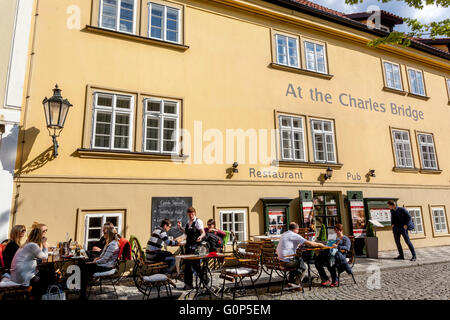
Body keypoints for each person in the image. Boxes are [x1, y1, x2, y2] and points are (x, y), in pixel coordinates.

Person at [276, 222, 326, 287]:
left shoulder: (284, 234)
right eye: (298, 230)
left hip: (280, 260)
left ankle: (291, 281)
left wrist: (297, 244)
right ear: (296, 229)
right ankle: (296, 283)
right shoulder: (294, 235)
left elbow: (288, 245)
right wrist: (320, 244)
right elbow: (310, 244)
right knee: (304, 266)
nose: (298, 231)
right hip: (287, 261)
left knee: (298, 262)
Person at [10, 226, 49, 299]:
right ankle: (40, 296)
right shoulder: (32, 245)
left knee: (43, 272)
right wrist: (45, 246)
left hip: (17, 274)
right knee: (46, 273)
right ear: (39, 237)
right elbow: (44, 257)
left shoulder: (27, 244)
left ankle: (37, 296)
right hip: (22, 276)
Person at [177, 207, 206, 289]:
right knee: (187, 266)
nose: (191, 216)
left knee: (196, 266)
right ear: (187, 214)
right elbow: (187, 233)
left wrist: (200, 237)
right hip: (188, 247)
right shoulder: (188, 222)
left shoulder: (198, 222)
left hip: (195, 247)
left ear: (195, 214)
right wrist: (180, 228)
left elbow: (203, 232)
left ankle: (205, 281)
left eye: (192, 214)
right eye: (189, 214)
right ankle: (188, 284)